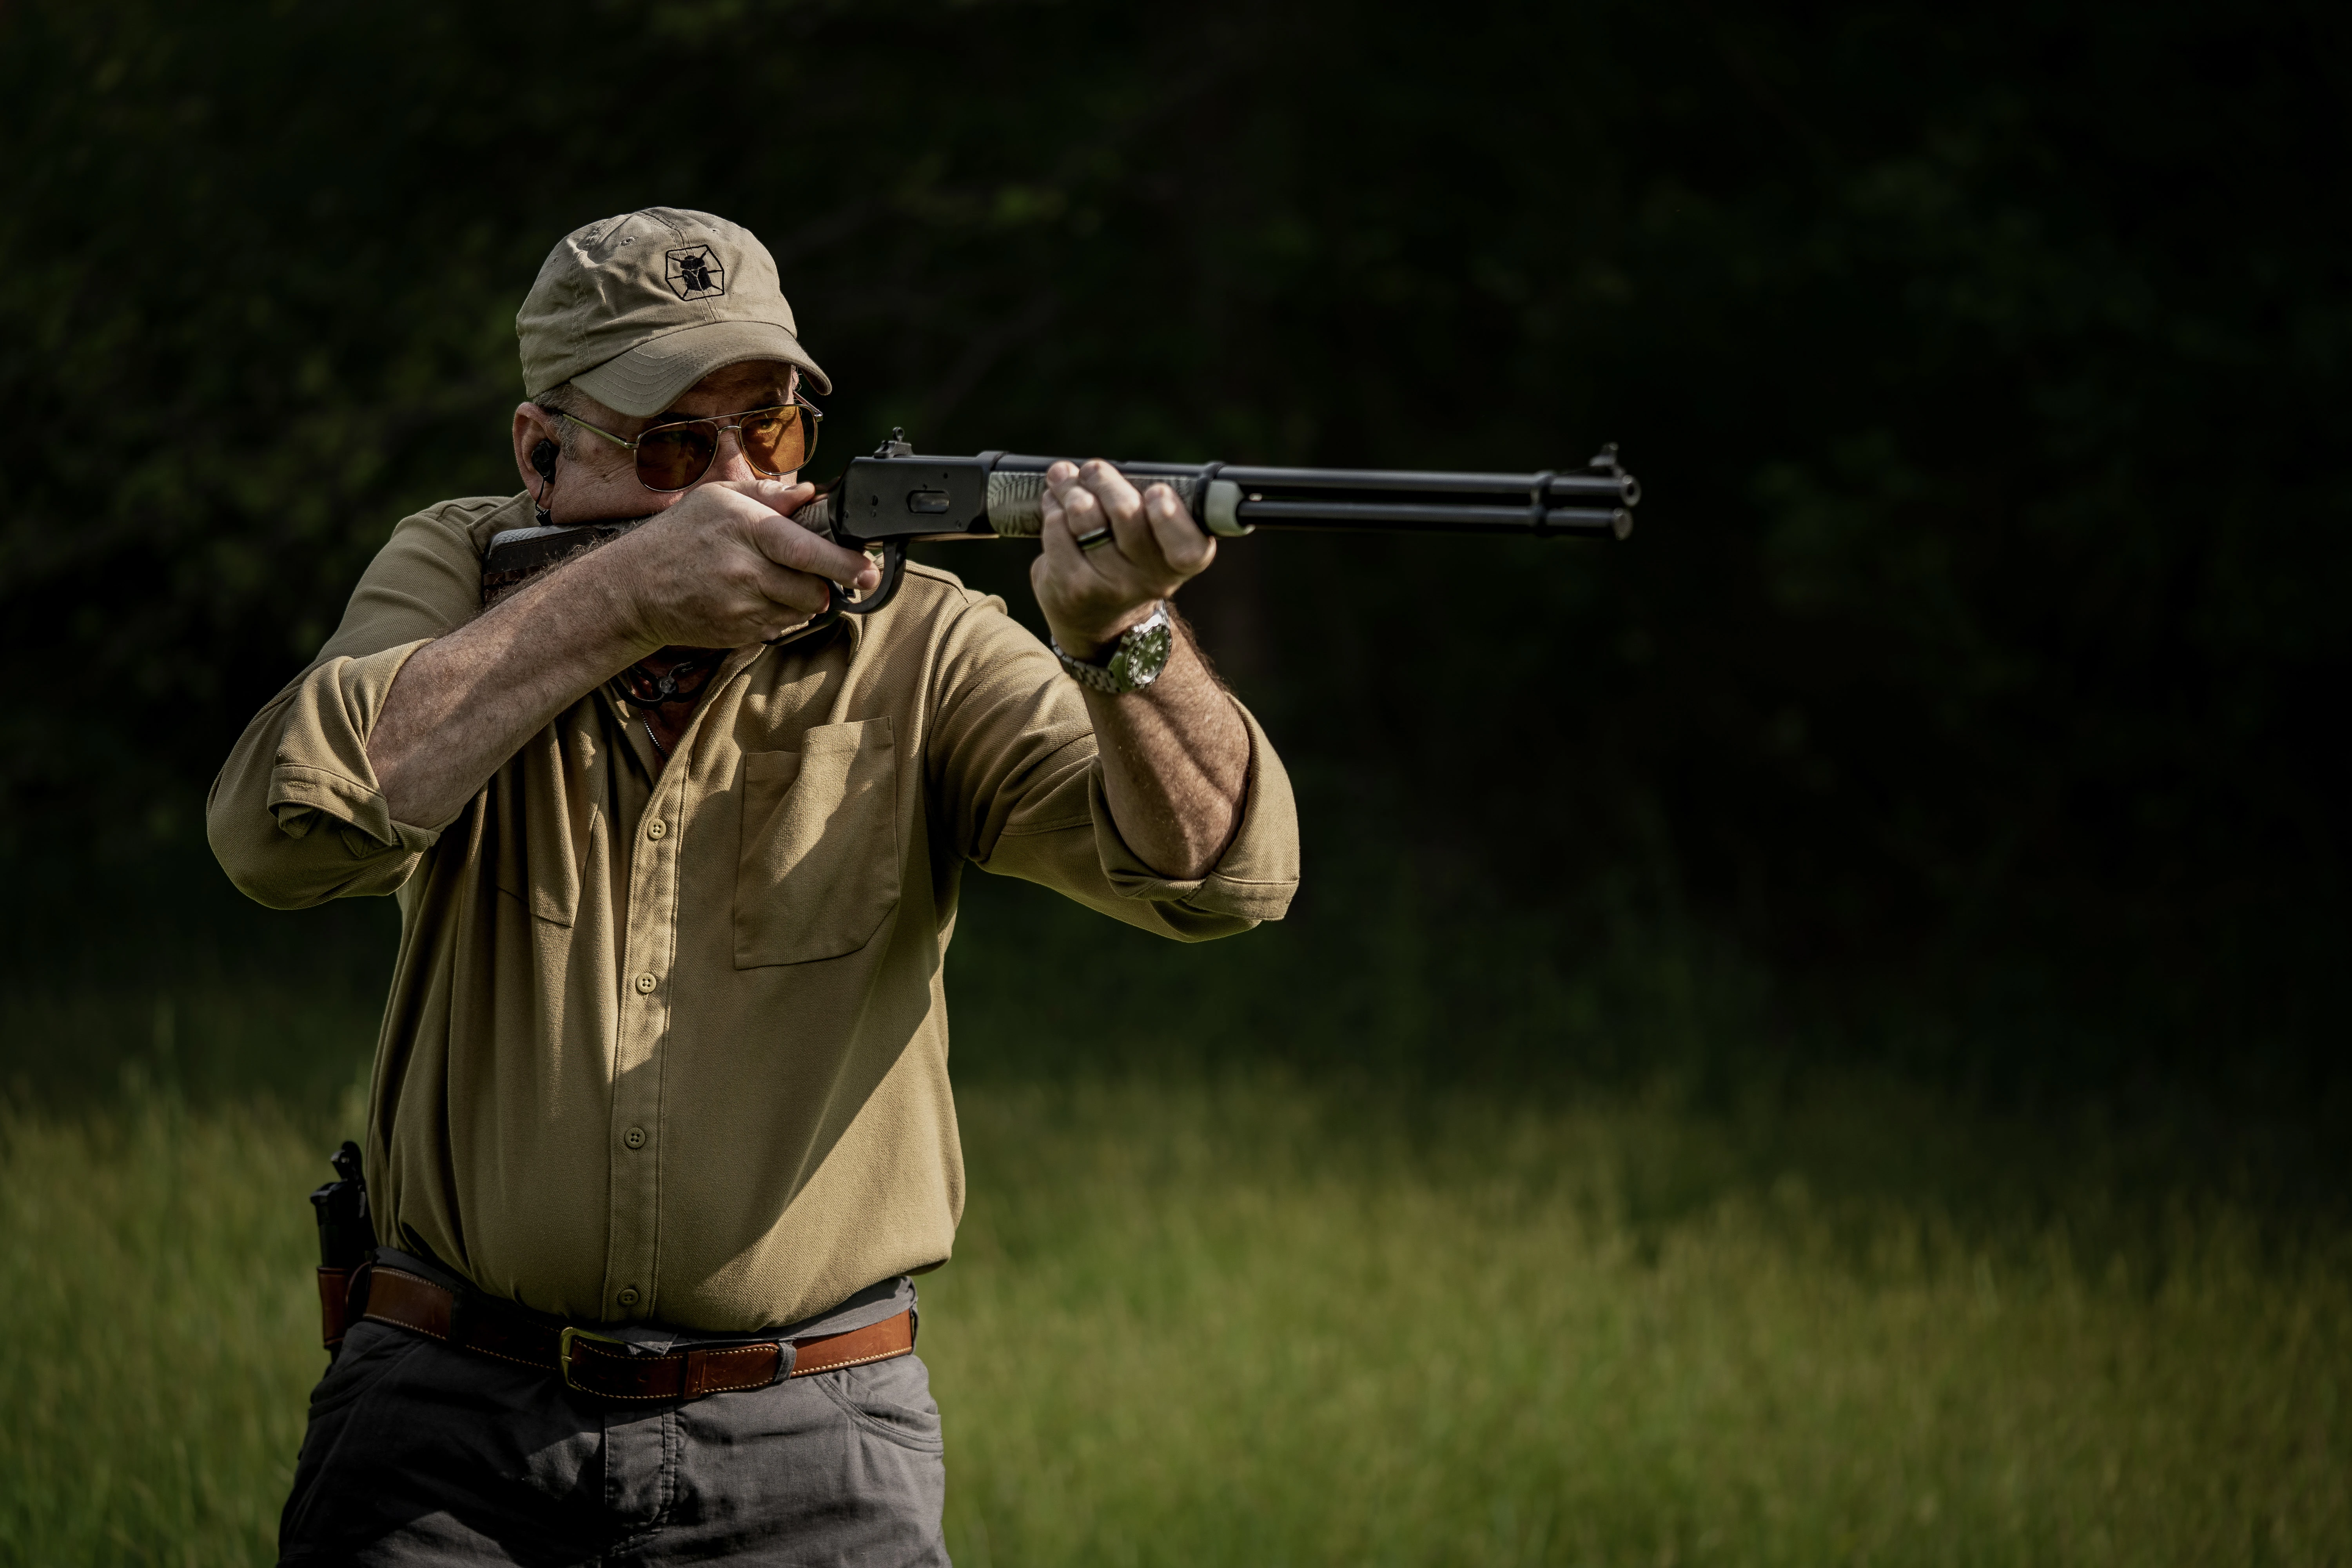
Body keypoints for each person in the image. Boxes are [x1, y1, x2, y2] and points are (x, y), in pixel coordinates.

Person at [208, 206, 1299, 1565]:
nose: (737, 481)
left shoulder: (927, 637)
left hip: (815, 1438)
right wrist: (624, 604)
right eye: (674, 444)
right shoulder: (455, 568)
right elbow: (278, 838)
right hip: (445, 1421)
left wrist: (1121, 632)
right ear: (541, 455)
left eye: (771, 431)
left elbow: (1218, 877)